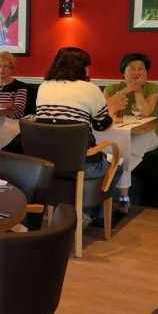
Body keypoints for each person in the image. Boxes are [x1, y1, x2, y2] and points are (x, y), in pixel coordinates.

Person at [35, 47, 127, 228]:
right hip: (80, 165)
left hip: (46, 164)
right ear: (83, 67)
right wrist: (110, 108)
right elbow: (103, 126)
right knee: (118, 165)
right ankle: (87, 214)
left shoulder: (44, 86)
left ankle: (64, 212)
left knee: (83, 161)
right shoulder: (90, 89)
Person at [103, 53, 158, 214]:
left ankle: (119, 199)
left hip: (148, 135)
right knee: (121, 155)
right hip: (119, 135)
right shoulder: (112, 88)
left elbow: (145, 113)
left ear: (146, 72)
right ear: (123, 71)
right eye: (132, 68)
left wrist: (137, 91)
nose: (137, 72)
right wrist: (127, 88)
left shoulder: (153, 88)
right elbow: (102, 108)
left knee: (122, 157)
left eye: (141, 69)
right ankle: (123, 199)